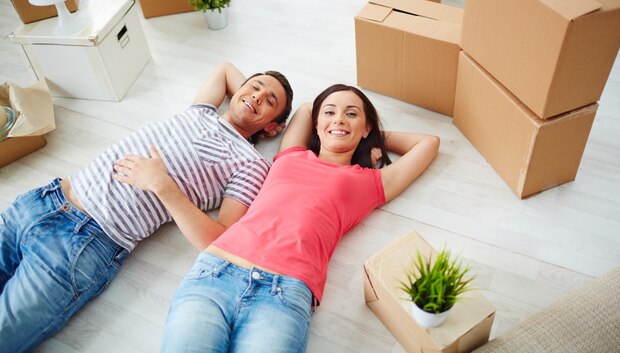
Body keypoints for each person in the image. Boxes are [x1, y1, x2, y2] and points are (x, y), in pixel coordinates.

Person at [121, 83, 440, 353]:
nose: (338, 118)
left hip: (285, 292)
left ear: (367, 126)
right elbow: (304, 108)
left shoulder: (369, 182)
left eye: (352, 113)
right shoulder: (292, 154)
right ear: (316, 124)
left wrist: (367, 135)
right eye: (329, 112)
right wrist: (343, 121)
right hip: (216, 273)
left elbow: (428, 143)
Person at [0, 62, 293, 353]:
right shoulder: (201, 111)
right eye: (254, 87)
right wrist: (253, 93)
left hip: (84, 243)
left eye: (270, 101)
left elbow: (220, 242)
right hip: (42, 200)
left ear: (271, 127)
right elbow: (225, 69)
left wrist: (162, 185)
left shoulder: (250, 163)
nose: (257, 96)